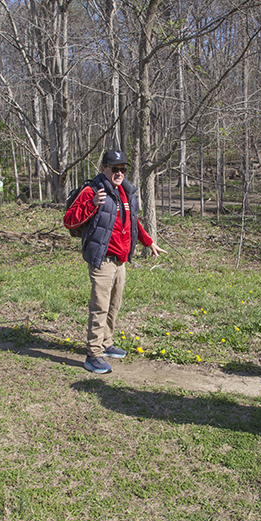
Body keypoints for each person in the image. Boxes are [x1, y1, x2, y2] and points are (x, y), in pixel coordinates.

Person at [63, 149, 167, 374]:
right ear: (104, 169)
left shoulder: (125, 193)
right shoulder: (92, 191)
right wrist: (91, 204)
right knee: (99, 307)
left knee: (113, 305)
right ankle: (93, 355)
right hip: (102, 260)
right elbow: (69, 220)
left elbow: (133, 222)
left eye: (123, 170)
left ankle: (106, 343)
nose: (119, 173)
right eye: (115, 169)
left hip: (120, 261)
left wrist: (148, 242)